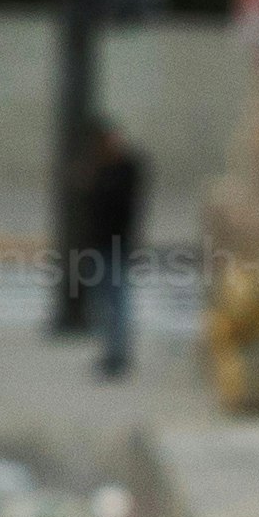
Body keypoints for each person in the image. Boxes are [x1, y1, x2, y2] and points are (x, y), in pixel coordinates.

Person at [82, 115, 149, 377]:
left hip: (116, 244)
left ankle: (118, 354)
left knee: (117, 301)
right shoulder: (103, 167)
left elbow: (117, 202)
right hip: (99, 244)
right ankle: (111, 352)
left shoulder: (124, 168)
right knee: (104, 302)